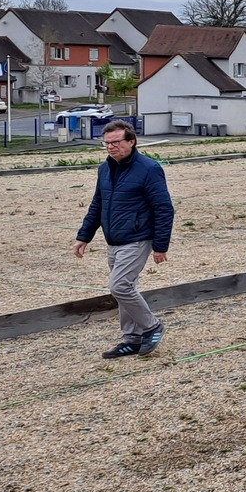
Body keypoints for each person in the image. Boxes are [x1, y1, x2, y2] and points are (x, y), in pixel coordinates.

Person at [73, 119, 174, 358]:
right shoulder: (104, 169)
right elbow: (98, 204)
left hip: (137, 238)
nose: (110, 147)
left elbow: (164, 208)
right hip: (114, 240)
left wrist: (160, 246)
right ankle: (132, 339)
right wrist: (84, 236)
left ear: (131, 141)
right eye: (106, 143)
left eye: (116, 142)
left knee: (120, 286)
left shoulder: (149, 168)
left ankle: (152, 326)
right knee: (126, 288)